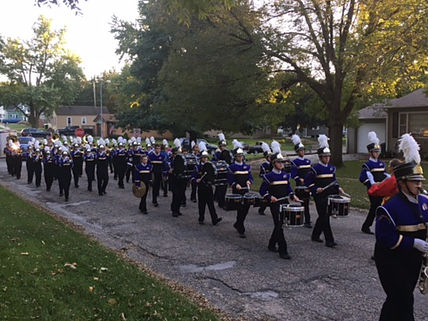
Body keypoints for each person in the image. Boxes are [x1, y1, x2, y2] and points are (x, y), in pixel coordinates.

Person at [374, 133, 428, 321]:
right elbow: (384, 237)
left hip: (412, 260)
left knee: (398, 300)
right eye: (415, 181)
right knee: (403, 299)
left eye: (420, 181)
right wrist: (413, 243)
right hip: (390, 260)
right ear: (402, 183)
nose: (419, 185)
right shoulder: (389, 207)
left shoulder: (424, 202)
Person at [304, 135, 346, 248]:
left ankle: (315, 235)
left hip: (330, 194)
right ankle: (329, 240)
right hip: (319, 195)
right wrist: (315, 188)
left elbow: (334, 181)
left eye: (328, 156)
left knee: (323, 216)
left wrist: (338, 187)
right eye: (324, 156)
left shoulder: (332, 168)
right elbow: (308, 182)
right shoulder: (315, 168)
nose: (327, 158)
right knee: (325, 217)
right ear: (320, 157)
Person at [260, 152, 300, 259]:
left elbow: (288, 188)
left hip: (284, 202)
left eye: (282, 162)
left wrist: (292, 195)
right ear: (273, 163)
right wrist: (269, 197)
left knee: (280, 224)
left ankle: (271, 244)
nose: (281, 164)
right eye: (279, 162)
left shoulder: (285, 175)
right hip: (275, 204)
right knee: (279, 226)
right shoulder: (269, 176)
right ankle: (283, 250)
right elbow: (262, 191)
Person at [359, 132, 388, 234]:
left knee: (381, 207)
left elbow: (384, 174)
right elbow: (362, 178)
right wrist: (372, 184)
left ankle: (375, 226)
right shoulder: (367, 165)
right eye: (375, 152)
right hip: (373, 189)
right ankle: (366, 226)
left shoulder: (381, 163)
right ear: (370, 153)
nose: (377, 153)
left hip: (382, 188)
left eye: (378, 151)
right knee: (374, 207)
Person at [228, 147, 253, 238]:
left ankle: (238, 223)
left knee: (246, 209)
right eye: (238, 156)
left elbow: (250, 177)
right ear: (235, 157)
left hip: (246, 190)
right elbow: (230, 180)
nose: (240, 157)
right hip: (237, 191)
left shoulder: (247, 166)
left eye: (241, 156)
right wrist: (235, 185)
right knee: (240, 209)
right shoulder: (232, 167)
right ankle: (241, 228)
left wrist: (249, 181)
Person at [193, 150, 222, 225]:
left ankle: (214, 219)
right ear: (201, 158)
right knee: (201, 204)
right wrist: (196, 180)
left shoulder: (211, 166)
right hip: (201, 187)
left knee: (211, 204)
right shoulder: (198, 167)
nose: (205, 159)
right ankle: (201, 218)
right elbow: (193, 177)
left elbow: (214, 174)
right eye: (204, 158)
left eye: (206, 157)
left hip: (209, 187)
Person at [291, 134, 312, 228]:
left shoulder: (308, 161)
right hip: (300, 186)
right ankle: (306, 220)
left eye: (303, 150)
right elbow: (293, 174)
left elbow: (310, 172)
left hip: (308, 185)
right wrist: (299, 179)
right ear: (297, 152)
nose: (302, 152)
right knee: (304, 203)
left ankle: (304, 219)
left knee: (306, 203)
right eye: (300, 150)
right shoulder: (295, 162)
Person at [213, 133, 232, 209]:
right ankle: (220, 201)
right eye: (222, 146)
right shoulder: (217, 153)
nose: (223, 147)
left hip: (225, 171)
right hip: (219, 171)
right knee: (219, 186)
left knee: (223, 187)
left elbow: (229, 160)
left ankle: (220, 199)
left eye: (224, 146)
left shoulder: (227, 152)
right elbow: (215, 161)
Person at [170, 139, 187, 217]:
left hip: (181, 178)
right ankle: (174, 210)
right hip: (174, 179)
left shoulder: (181, 159)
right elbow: (169, 169)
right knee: (175, 195)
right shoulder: (171, 160)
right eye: (176, 153)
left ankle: (178, 209)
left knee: (180, 195)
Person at [258, 142, 272, 215]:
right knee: (266, 196)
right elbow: (261, 174)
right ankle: (261, 209)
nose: (270, 158)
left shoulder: (274, 164)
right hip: (266, 182)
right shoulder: (264, 165)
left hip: (273, 182)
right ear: (266, 157)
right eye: (269, 157)